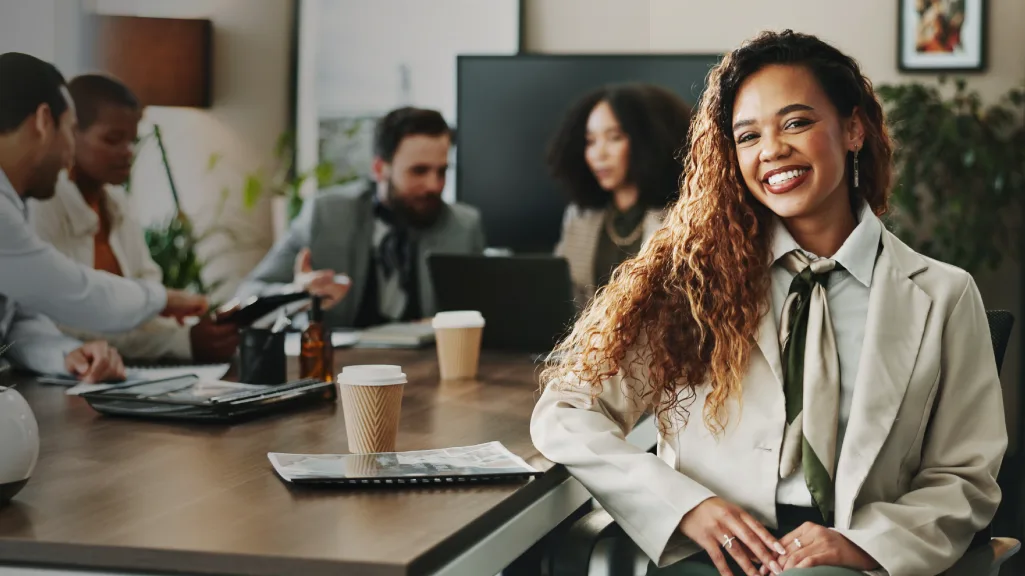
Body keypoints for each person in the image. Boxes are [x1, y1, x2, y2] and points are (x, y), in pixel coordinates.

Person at [531, 30, 1004, 576]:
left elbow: (964, 478)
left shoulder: (943, 294)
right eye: (747, 135)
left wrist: (864, 544)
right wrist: (686, 507)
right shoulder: (688, 281)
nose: (772, 150)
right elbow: (567, 411)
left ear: (853, 129)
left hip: (854, 559)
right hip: (715, 560)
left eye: (797, 123)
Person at [0, 52, 207, 375]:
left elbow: (19, 319)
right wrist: (162, 298)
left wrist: (67, 355)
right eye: (69, 129)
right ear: (43, 122)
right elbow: (73, 291)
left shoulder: (15, 202)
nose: (69, 153)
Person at [32, 74, 238, 363]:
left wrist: (195, 333)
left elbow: (148, 306)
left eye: (132, 141)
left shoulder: (118, 205)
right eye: (113, 139)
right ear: (70, 132)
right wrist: (182, 341)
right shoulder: (41, 207)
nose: (128, 152)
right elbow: (64, 324)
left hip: (125, 373)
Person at [237, 107, 486, 329]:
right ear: (379, 169)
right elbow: (246, 295)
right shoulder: (327, 215)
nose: (434, 185)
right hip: (346, 368)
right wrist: (295, 295)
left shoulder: (463, 226)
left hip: (430, 370)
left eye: (441, 171)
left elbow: (486, 315)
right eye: (418, 171)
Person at [547, 83, 691, 304]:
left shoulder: (682, 218)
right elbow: (562, 300)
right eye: (590, 141)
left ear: (648, 141)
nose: (599, 153)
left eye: (614, 137)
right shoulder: (579, 218)